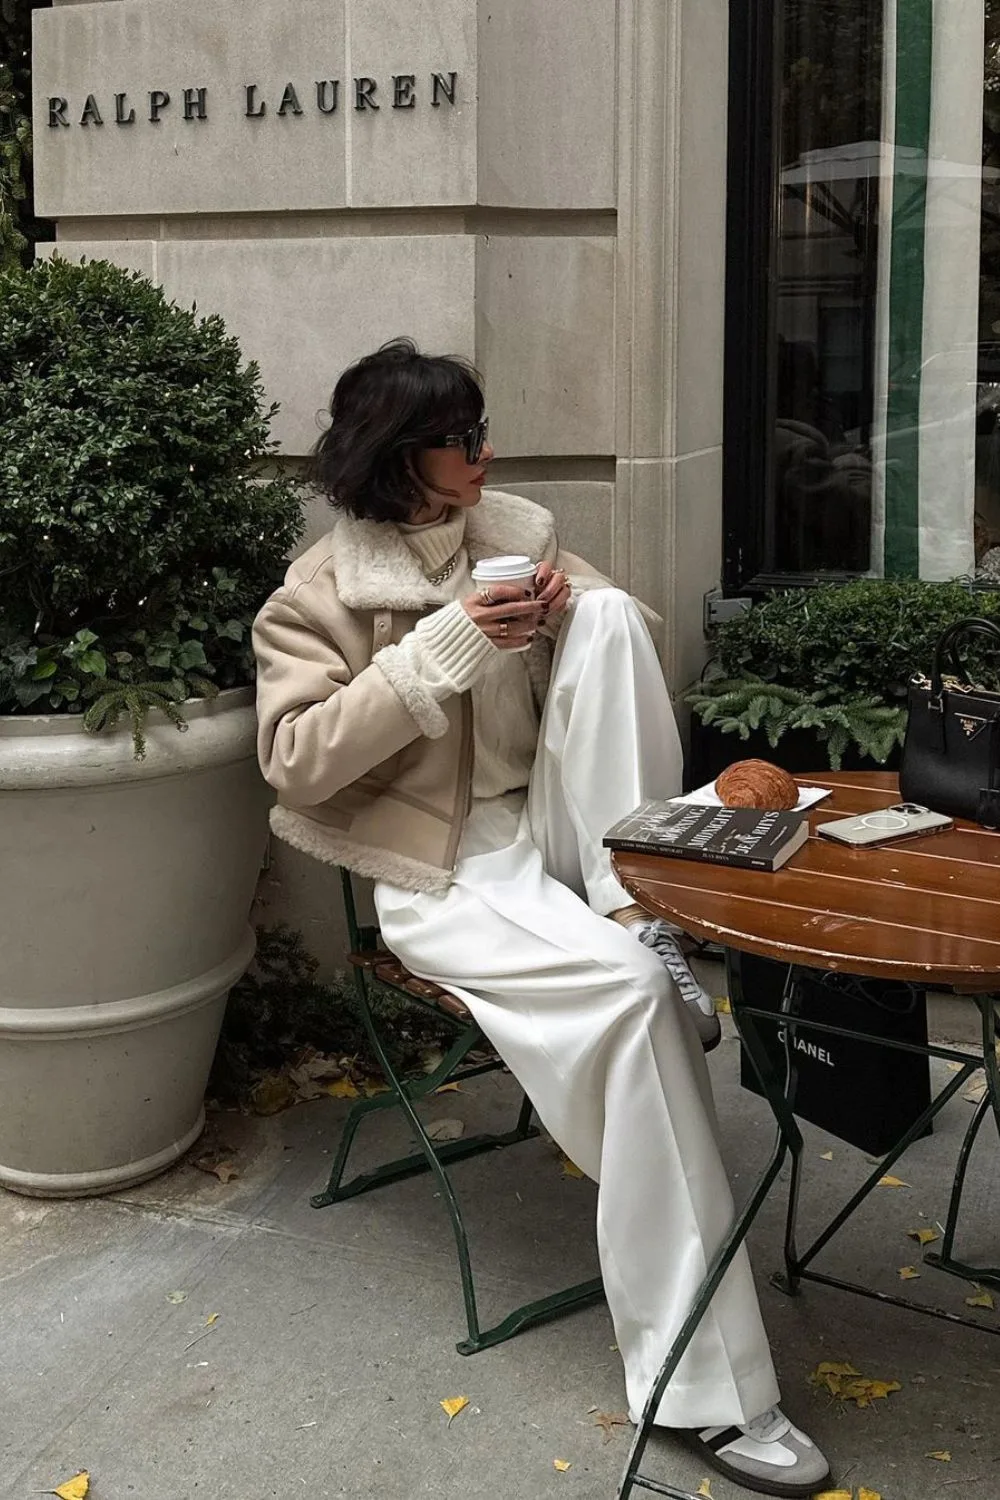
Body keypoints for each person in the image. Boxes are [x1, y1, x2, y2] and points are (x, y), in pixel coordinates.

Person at [252, 339, 832, 1499]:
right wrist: (447, 649)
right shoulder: (314, 596)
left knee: (615, 618)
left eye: (481, 431)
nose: (485, 453)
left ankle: (639, 904)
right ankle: (702, 1387)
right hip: (444, 873)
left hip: (564, 827)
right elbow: (293, 764)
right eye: (461, 439)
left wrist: (567, 615)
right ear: (394, 455)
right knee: (633, 1010)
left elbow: (619, 662)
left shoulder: (515, 528)